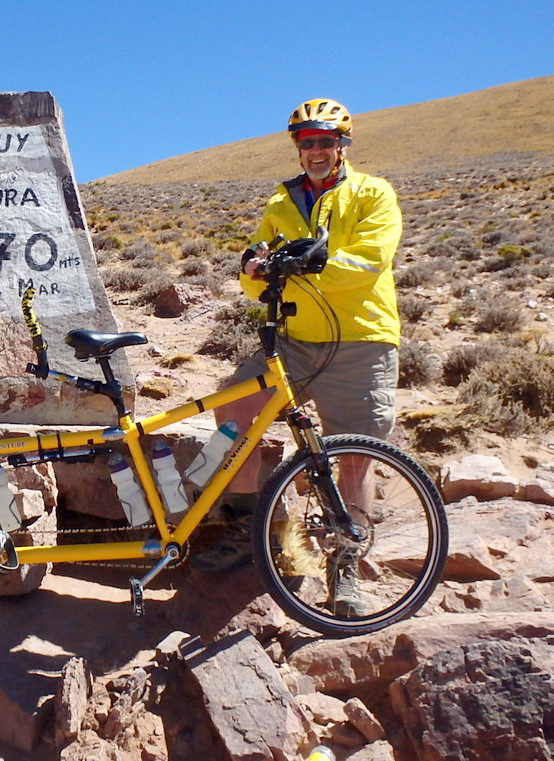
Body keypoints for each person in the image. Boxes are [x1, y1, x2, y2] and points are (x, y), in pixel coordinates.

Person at [194, 99, 403, 615]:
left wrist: (309, 261)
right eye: (307, 142)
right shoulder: (280, 203)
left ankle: (345, 564)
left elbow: (371, 261)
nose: (315, 151)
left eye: (325, 141)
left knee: (355, 455)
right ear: (298, 147)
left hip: (360, 340)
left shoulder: (373, 193)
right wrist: (255, 268)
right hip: (292, 340)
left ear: (342, 145)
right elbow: (252, 276)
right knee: (232, 409)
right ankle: (246, 524)